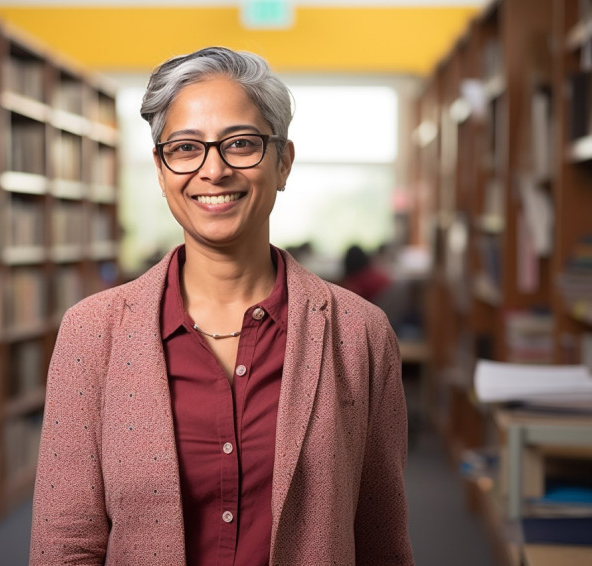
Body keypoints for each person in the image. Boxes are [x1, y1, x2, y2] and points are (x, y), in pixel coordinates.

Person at [29, 46, 414, 565]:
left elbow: (380, 538)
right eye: (186, 148)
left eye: (240, 144)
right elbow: (65, 545)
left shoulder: (359, 333)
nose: (214, 170)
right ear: (163, 171)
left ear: (283, 162)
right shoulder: (92, 333)